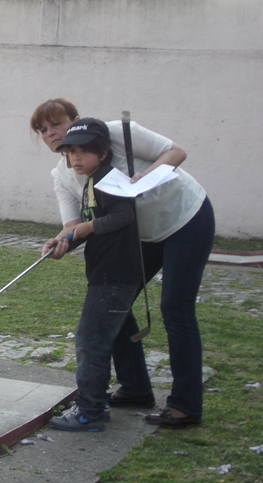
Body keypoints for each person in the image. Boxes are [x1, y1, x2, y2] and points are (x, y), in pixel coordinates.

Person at [31, 98, 214, 428]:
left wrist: (145, 176)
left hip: (185, 217)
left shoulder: (116, 133)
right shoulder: (64, 174)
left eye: (57, 124)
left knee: (175, 307)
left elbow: (176, 152)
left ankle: (185, 404)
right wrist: (60, 242)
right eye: (43, 131)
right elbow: (75, 225)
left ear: (76, 120)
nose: (50, 133)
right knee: (114, 302)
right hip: (142, 235)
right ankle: (135, 388)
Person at [46, 119, 143, 432]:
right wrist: (63, 240)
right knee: (96, 340)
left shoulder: (109, 179)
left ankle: (90, 412)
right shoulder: (90, 181)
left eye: (84, 151)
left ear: (102, 153)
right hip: (104, 272)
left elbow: (123, 215)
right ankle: (98, 402)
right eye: (71, 151)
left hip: (113, 274)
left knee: (90, 342)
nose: (75, 158)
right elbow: (89, 224)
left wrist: (86, 227)